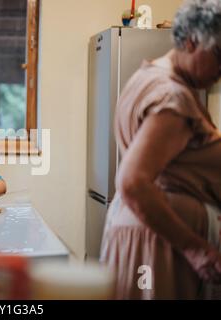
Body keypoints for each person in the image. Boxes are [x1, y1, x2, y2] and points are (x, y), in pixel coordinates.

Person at [101, 0, 221, 299]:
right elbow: (132, 182)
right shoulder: (173, 97)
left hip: (146, 234)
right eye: (220, 54)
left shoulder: (150, 76)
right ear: (192, 41)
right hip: (159, 244)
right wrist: (196, 249)